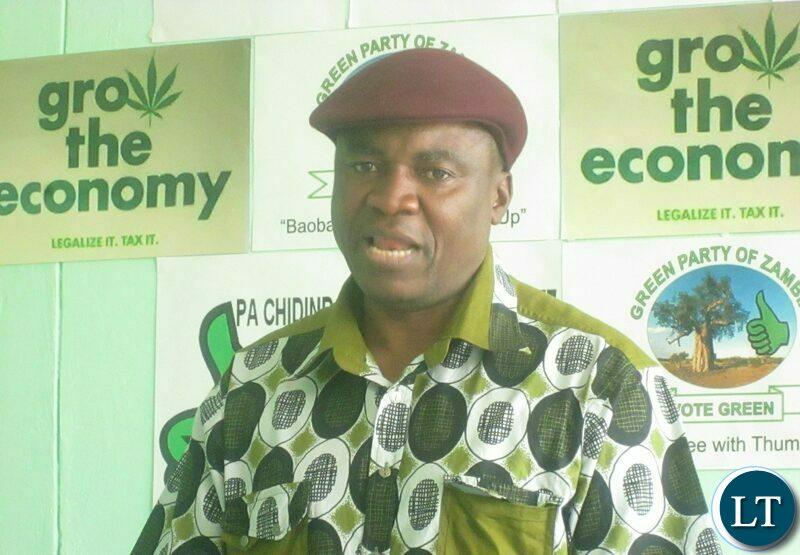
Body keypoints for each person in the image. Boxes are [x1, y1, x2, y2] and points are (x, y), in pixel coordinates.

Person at [134, 49, 720, 554]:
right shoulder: (255, 385)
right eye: (364, 165)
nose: (392, 198)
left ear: (498, 197)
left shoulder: (597, 384)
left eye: (436, 172)